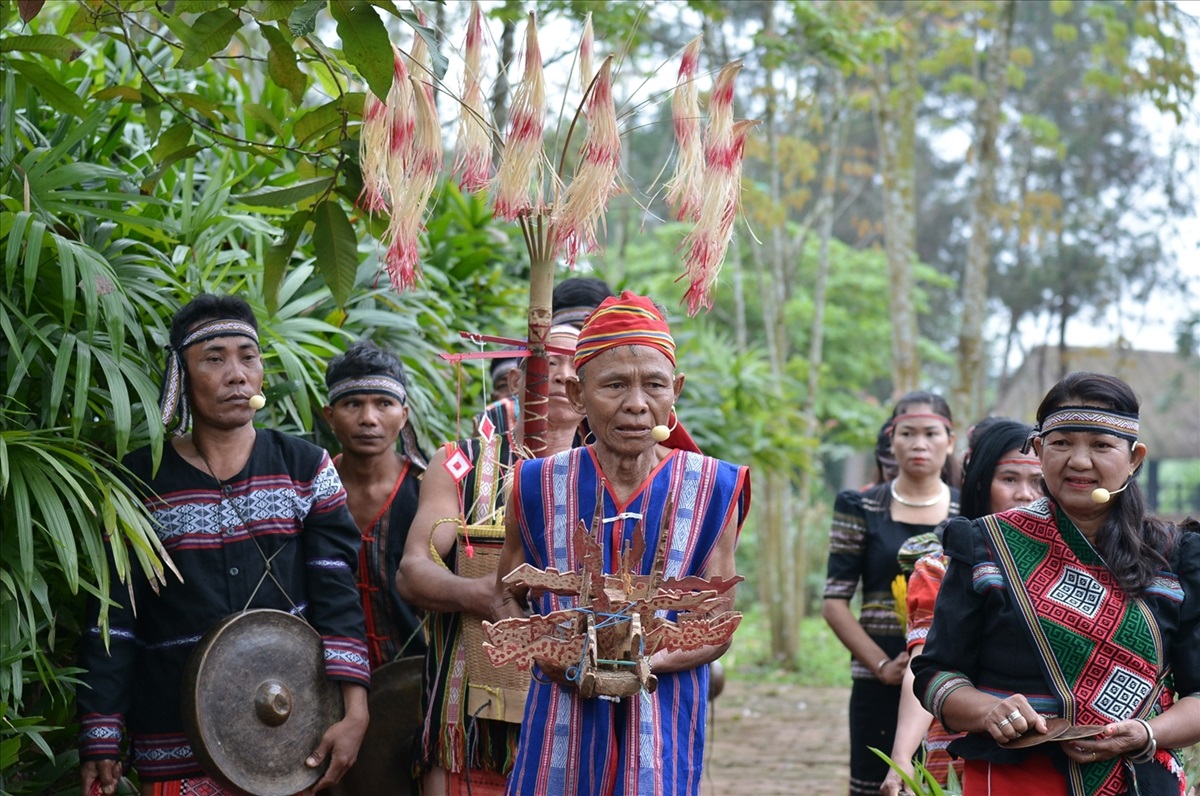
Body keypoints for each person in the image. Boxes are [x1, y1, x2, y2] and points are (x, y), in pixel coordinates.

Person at [78, 295, 370, 796]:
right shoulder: (136, 482)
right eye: (214, 358)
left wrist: (355, 709)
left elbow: (337, 594)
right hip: (175, 739)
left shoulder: (306, 468)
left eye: (247, 356)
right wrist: (101, 736)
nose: (237, 373)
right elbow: (114, 617)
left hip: (289, 732)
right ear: (180, 376)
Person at [494, 291, 751, 796]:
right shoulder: (533, 484)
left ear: (674, 390)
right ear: (576, 393)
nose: (637, 404)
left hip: (664, 722)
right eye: (614, 385)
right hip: (559, 721)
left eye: (654, 385)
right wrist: (551, 655)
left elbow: (718, 622)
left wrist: (645, 665)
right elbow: (506, 592)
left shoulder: (714, 488)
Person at [912, 371, 1200, 796]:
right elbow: (935, 674)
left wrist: (1145, 732)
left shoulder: (1176, 555)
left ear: (1135, 457)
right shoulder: (986, 544)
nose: (1079, 462)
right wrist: (989, 710)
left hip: (1138, 781)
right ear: (1040, 449)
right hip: (1015, 778)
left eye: (1101, 445)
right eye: (1062, 443)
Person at [395, 326, 586, 796]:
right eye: (549, 362)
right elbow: (413, 571)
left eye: (575, 367)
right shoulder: (458, 463)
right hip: (473, 727)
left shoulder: (612, 472)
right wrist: (481, 595)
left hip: (579, 719)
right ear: (518, 381)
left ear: (591, 390)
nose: (561, 376)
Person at [881, 418, 1042, 795]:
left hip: (1047, 753)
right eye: (1009, 480)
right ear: (981, 484)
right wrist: (902, 756)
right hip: (959, 755)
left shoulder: (1075, 569)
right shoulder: (942, 568)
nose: (1025, 494)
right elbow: (924, 668)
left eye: (1038, 482)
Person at [823, 391, 960, 796]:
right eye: (908, 433)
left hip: (949, 678)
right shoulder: (861, 506)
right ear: (891, 440)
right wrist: (883, 665)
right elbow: (834, 602)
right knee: (875, 784)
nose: (920, 444)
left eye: (932, 433)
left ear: (950, 441)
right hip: (878, 673)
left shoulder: (968, 513)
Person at [324, 340, 428, 666]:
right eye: (352, 404)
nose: (368, 418)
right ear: (330, 416)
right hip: (329, 680)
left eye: (384, 403)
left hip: (420, 681)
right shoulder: (313, 489)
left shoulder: (428, 491)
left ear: (404, 415)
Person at [475, 277, 614, 441]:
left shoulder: (621, 411)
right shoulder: (500, 417)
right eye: (553, 360)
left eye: (591, 339)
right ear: (516, 381)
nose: (579, 345)